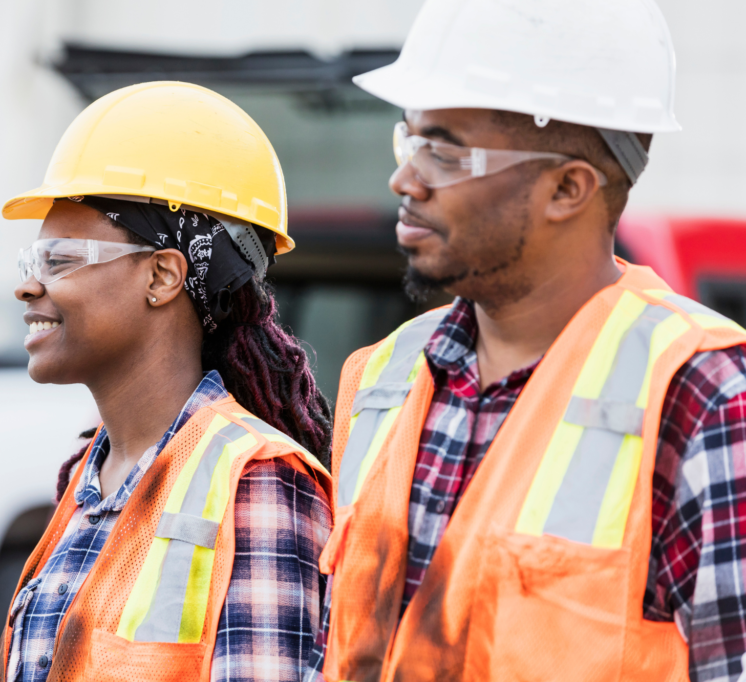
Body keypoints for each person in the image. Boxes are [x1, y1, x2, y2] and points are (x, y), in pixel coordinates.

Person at [306, 1, 746, 681]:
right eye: (410, 140)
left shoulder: (701, 394)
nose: (405, 178)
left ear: (568, 188)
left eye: (445, 151)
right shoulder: (382, 377)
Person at [0, 82, 334, 682]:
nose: (27, 286)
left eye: (61, 260)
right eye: (29, 264)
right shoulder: (87, 481)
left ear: (163, 276)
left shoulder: (258, 484)